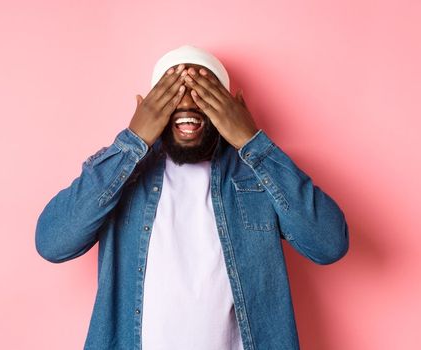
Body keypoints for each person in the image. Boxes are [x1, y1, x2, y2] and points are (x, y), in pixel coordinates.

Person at [34, 45, 349, 350]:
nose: (187, 100)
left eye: (204, 89)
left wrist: (252, 142)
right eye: (170, 91)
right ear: (147, 106)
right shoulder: (120, 173)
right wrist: (133, 142)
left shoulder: (257, 174)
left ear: (232, 105)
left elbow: (328, 244)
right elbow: (53, 242)